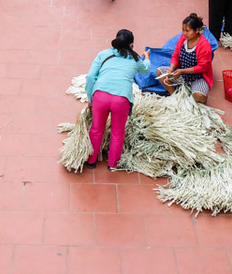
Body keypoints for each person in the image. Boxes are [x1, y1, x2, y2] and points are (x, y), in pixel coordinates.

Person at [84, 29, 151, 169]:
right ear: (131, 45)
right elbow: (145, 70)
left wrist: (91, 98)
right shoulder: (135, 59)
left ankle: (91, 161)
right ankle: (112, 164)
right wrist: (147, 57)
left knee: (96, 129)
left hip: (100, 96)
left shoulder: (103, 54)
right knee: (117, 132)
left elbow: (90, 77)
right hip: (121, 99)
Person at [156, 13, 213, 104]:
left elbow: (202, 67)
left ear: (197, 30)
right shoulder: (183, 38)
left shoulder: (204, 45)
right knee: (160, 72)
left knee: (200, 97)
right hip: (182, 75)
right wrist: (171, 68)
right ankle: (175, 97)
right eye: (183, 30)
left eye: (187, 30)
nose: (184, 33)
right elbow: (175, 55)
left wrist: (182, 71)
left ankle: (194, 92)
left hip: (198, 77)